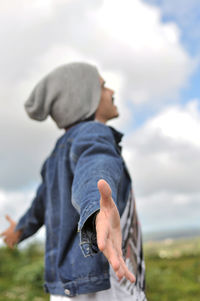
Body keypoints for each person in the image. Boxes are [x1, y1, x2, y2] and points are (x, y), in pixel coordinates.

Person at [0, 62, 147, 300]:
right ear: (83, 100)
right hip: (104, 285)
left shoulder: (54, 158)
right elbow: (95, 162)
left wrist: (20, 229)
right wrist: (96, 206)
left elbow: (40, 205)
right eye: (103, 86)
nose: (111, 91)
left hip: (69, 286)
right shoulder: (93, 132)